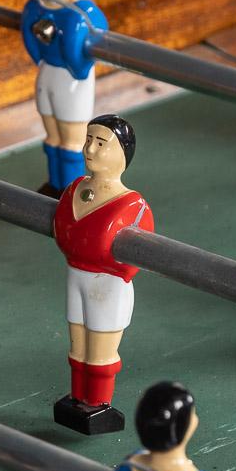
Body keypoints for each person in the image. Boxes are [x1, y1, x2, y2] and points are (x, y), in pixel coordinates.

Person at [52, 114, 153, 434]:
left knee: (101, 349)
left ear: (123, 153)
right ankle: (78, 397)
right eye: (88, 140)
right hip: (76, 276)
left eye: (100, 143)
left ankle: (97, 403)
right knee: (78, 345)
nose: (89, 149)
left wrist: (109, 266)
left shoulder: (133, 206)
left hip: (108, 285)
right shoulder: (74, 189)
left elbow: (140, 255)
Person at [21, 0, 108, 196]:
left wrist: (41, 59)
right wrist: (80, 71)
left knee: (53, 136)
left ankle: (55, 185)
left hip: (46, 74)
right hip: (71, 82)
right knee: (73, 141)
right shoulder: (83, 11)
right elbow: (96, 36)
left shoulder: (36, 2)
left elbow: (28, 37)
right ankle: (71, 193)